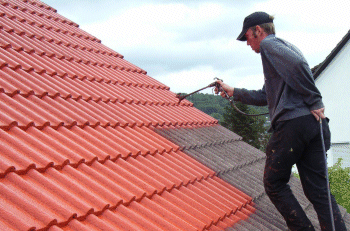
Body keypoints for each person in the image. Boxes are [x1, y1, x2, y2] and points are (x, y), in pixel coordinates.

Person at [215, 12, 347, 231]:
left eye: (247, 36)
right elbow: (265, 96)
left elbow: (297, 65)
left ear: (258, 30)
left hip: (293, 128)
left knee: (274, 183)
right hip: (314, 126)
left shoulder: (269, 45)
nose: (247, 42)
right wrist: (234, 91)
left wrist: (314, 99)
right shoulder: (283, 50)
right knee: (318, 192)